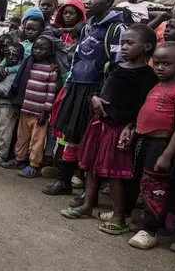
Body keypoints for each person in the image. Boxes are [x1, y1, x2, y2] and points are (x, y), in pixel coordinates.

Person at [59, 24, 157, 233]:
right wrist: (93, 98)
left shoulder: (147, 75)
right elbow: (100, 90)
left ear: (147, 46)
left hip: (119, 128)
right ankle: (87, 204)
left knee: (114, 173)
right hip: (100, 125)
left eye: (130, 43)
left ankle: (119, 216)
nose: (124, 47)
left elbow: (142, 106)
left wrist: (131, 127)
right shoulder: (115, 67)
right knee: (93, 167)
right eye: (122, 42)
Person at [42, 0, 126, 195]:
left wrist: (102, 95)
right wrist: (70, 85)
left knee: (93, 141)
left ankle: (89, 193)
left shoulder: (117, 29)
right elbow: (78, 59)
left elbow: (117, 66)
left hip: (97, 91)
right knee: (71, 136)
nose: (88, 1)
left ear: (108, 1)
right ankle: (64, 182)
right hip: (77, 86)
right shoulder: (88, 26)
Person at [126, 42, 175, 249]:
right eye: (157, 63)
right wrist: (133, 132)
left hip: (161, 144)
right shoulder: (155, 86)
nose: (160, 67)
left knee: (156, 188)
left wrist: (167, 154)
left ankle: (151, 230)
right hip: (143, 141)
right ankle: (136, 218)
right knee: (138, 181)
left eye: (167, 64)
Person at [4, 35, 59, 177]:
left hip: (39, 113)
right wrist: (18, 106)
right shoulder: (28, 65)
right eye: (36, 48)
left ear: (50, 51)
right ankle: (19, 159)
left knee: (37, 140)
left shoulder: (52, 70)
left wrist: (45, 111)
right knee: (22, 136)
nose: (38, 51)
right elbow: (21, 86)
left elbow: (51, 93)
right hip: (25, 109)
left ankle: (34, 165)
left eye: (43, 49)